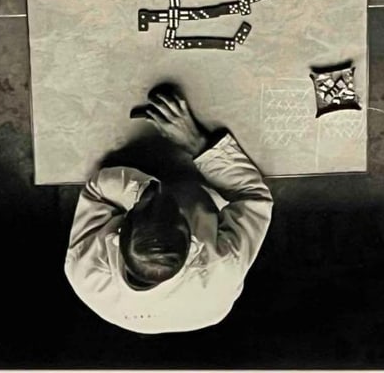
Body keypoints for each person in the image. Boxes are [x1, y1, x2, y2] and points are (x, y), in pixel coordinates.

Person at [64, 87, 273, 334]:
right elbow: (254, 197)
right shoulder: (223, 268)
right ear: (193, 243)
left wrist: (145, 191)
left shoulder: (84, 270)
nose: (168, 195)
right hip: (200, 196)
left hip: (139, 181)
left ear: (120, 232)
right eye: (176, 211)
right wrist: (198, 144)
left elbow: (98, 190)